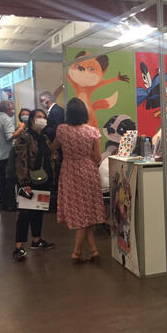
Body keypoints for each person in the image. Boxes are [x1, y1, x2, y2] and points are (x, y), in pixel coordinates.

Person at [52, 98, 105, 263]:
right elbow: (97, 158)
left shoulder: (62, 130)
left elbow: (54, 146)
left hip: (69, 172)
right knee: (86, 212)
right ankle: (93, 251)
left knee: (80, 213)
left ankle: (77, 253)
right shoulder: (93, 132)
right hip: (88, 172)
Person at [12, 109, 57, 261]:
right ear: (31, 120)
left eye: (44, 117)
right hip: (29, 182)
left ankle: (36, 240)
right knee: (25, 214)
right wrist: (24, 183)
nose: (42, 119)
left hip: (43, 180)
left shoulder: (44, 137)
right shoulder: (24, 138)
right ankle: (18, 247)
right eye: (39, 117)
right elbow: (20, 162)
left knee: (38, 211)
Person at [0, 100, 26, 211]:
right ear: (7, 109)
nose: (13, 111)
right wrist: (21, 128)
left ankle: (2, 203)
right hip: (6, 154)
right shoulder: (6, 119)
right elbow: (9, 137)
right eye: (12, 109)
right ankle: (11, 204)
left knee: (0, 179)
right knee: (10, 180)